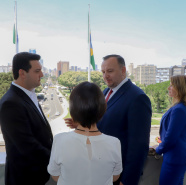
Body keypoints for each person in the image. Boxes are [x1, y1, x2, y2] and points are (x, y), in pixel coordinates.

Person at [65, 54, 152, 185]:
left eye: (110, 71)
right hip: (99, 169)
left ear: (123, 71)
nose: (105, 76)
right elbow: (104, 122)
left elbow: (139, 146)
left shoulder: (138, 98)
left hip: (119, 175)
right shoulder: (106, 91)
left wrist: (127, 180)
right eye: (103, 72)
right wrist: (81, 124)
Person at [48, 82, 123, 185]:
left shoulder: (59, 140)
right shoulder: (114, 143)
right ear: (102, 110)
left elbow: (55, 175)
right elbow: (115, 177)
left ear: (73, 110)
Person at [0, 52, 53, 185]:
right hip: (24, 179)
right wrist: (57, 158)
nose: (42, 75)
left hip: (37, 176)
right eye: (37, 71)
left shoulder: (28, 95)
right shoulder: (10, 103)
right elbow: (27, 146)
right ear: (22, 73)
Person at [155, 75, 186, 185]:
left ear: (180, 88)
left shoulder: (179, 109)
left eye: (172, 85)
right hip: (180, 156)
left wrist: (158, 150)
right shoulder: (182, 107)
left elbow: (171, 138)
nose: (168, 88)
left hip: (175, 158)